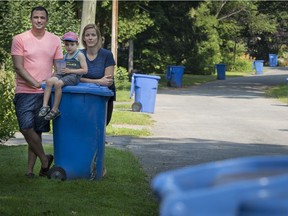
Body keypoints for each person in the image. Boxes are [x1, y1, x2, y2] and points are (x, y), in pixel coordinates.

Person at [11, 6, 63, 178]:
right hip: (24, 91)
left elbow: (60, 68)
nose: (39, 20)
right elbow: (18, 67)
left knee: (37, 132)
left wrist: (51, 82)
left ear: (47, 20)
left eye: (42, 17)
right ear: (31, 19)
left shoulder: (55, 40)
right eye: (35, 17)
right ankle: (45, 159)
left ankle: (29, 171)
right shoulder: (19, 39)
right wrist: (36, 83)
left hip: (45, 94)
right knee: (26, 128)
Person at [39, 31, 88, 120]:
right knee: (49, 82)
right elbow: (60, 69)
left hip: (74, 76)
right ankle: (45, 106)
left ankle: (55, 109)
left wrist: (70, 70)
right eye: (67, 44)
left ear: (77, 44)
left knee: (58, 84)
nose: (69, 47)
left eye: (72, 44)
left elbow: (85, 70)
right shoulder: (65, 56)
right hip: (64, 74)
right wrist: (56, 72)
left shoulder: (79, 55)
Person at [80, 24, 116, 127]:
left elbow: (107, 81)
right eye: (87, 35)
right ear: (83, 38)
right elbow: (74, 78)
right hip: (83, 97)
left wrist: (84, 80)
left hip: (102, 99)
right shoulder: (78, 55)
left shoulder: (106, 55)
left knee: (100, 127)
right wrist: (98, 81)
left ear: (98, 37)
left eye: (93, 35)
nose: (90, 38)